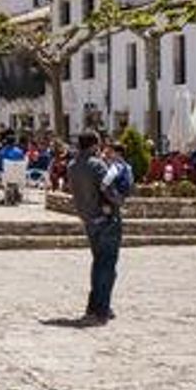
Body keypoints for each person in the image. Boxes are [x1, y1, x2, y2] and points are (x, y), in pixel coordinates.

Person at [67, 131, 121, 325]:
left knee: (99, 263)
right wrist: (119, 200)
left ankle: (95, 305)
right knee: (107, 265)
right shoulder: (97, 165)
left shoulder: (72, 166)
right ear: (93, 145)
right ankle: (101, 309)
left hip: (88, 219)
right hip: (105, 218)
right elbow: (107, 188)